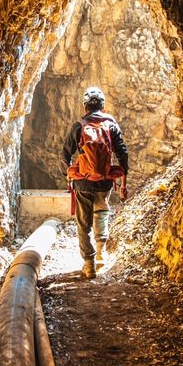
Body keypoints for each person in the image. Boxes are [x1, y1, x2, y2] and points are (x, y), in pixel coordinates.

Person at [61, 86, 128, 279]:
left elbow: (65, 154)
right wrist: (123, 182)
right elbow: (122, 154)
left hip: (83, 182)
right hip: (105, 181)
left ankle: (89, 264)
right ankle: (101, 253)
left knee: (83, 222)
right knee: (102, 212)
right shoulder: (111, 125)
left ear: (85, 108)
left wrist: (68, 174)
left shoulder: (79, 125)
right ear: (103, 106)